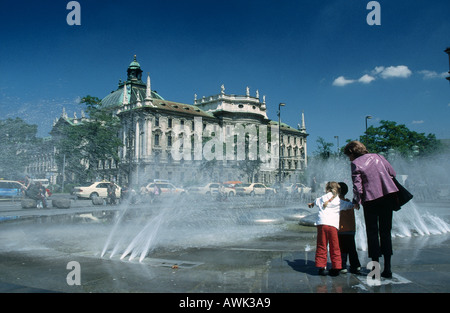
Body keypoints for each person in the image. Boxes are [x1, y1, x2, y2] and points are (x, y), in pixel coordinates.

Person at [343, 140, 399, 279]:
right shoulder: (379, 157)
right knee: (386, 232)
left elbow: (358, 185)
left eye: (348, 155)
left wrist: (356, 201)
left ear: (352, 152)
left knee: (372, 234)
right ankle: (388, 269)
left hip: (371, 200)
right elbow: (393, 173)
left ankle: (375, 270)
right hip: (387, 197)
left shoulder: (356, 163)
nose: (348, 158)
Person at [308, 181, 355, 276]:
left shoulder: (321, 198)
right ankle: (336, 268)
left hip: (322, 225)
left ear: (327, 189)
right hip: (333, 226)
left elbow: (315, 202)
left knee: (322, 245)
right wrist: (355, 205)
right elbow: (348, 205)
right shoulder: (338, 201)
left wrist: (311, 204)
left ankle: (322, 267)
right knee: (335, 247)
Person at [337, 182, 361, 274]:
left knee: (342, 248)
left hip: (341, 230)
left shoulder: (338, 203)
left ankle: (342, 266)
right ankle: (356, 265)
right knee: (352, 249)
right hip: (351, 230)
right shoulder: (348, 202)